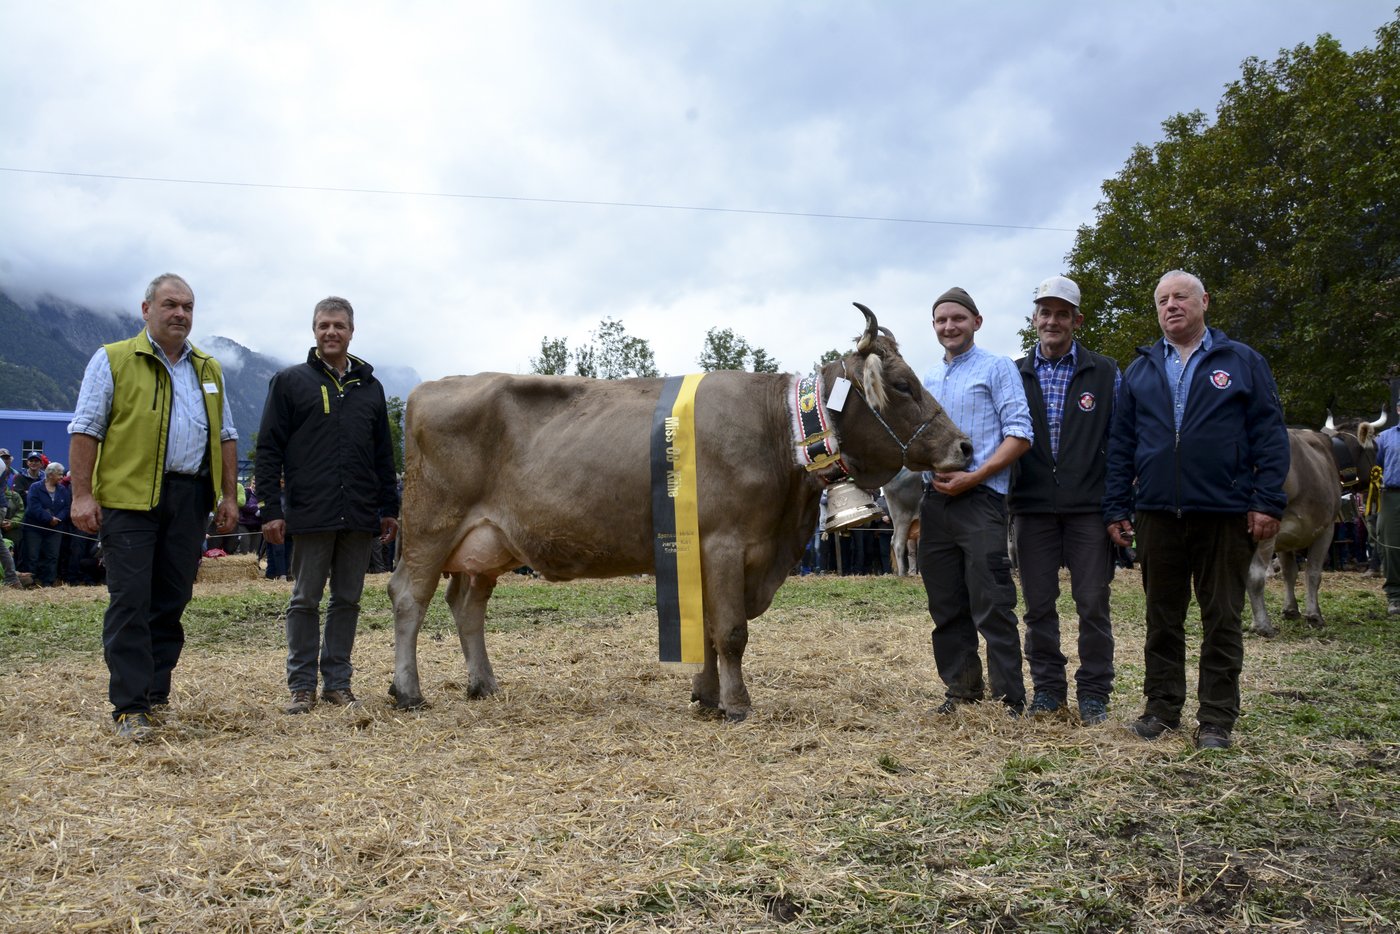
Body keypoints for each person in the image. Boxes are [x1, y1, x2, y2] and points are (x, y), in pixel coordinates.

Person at [1104, 270, 1289, 750]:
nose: (1171, 306)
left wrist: (1267, 500)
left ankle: (1215, 720)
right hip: (1157, 514)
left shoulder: (1242, 361)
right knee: (1162, 618)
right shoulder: (1141, 369)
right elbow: (1121, 444)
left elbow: (1269, 435)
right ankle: (1162, 710)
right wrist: (1117, 506)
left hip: (1225, 513)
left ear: (1203, 301)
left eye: (1180, 296)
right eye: (1162, 299)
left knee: (1222, 616)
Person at [68, 273, 239, 742]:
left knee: (171, 599)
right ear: (146, 310)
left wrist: (227, 495)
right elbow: (86, 428)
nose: (180, 313)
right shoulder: (113, 359)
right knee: (130, 600)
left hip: (189, 498)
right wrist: (82, 495)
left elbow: (225, 435)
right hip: (128, 499)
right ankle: (128, 706)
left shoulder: (208, 369)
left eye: (187, 306)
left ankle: (155, 694)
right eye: (170, 305)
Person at [256, 296, 399, 714]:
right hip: (310, 510)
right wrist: (271, 509)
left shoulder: (370, 388)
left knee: (348, 600)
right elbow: (268, 450)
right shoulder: (290, 381)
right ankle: (301, 686)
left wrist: (388, 507)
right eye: (323, 325)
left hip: (357, 513)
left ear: (351, 331)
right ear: (313, 331)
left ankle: (337, 682)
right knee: (304, 600)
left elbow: (383, 455)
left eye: (338, 325)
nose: (330, 332)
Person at [1009, 276, 1121, 726]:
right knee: (1038, 605)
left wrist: (1117, 505)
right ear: (1034, 319)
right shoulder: (1013, 374)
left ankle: (1094, 693)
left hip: (1088, 510)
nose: (1052, 321)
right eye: (1044, 312)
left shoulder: (1106, 372)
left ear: (1077, 320)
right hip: (1032, 508)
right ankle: (1049, 691)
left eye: (1062, 313)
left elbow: (1121, 441)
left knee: (1092, 602)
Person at [919, 286, 1033, 716]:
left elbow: (1021, 434)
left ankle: (1009, 699)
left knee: (992, 600)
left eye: (958, 318)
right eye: (941, 320)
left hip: (982, 499)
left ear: (976, 322)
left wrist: (976, 476)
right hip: (935, 502)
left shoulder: (998, 367)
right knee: (945, 602)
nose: (949, 326)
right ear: (933, 327)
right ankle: (962, 690)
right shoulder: (927, 378)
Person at [24, 462, 71, 586]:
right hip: (35, 528)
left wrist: (57, 519)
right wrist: (49, 518)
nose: (62, 477)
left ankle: (48, 582)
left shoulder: (63, 489)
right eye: (60, 474)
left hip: (55, 528)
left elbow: (66, 508)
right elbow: (33, 507)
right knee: (33, 556)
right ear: (50, 474)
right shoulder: (35, 487)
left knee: (52, 556)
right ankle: (30, 582)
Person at [1373, 403, 1400, 615]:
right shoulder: (1385, 437)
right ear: (1398, 409)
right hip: (1392, 495)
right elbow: (1377, 466)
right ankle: (1395, 596)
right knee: (1391, 546)